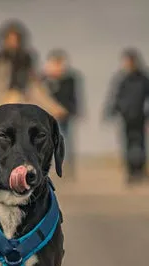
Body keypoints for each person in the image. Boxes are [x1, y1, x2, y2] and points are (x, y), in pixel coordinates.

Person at [0, 20, 66, 120]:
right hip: (1, 102)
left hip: (23, 100)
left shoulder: (26, 60)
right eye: (10, 39)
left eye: (15, 39)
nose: (13, 43)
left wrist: (53, 107)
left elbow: (35, 86)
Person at [103, 48, 149, 184]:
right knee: (128, 146)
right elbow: (115, 96)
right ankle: (131, 173)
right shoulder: (122, 78)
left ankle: (141, 172)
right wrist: (111, 111)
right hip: (126, 117)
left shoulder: (145, 78)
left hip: (141, 118)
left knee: (141, 145)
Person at [42, 49, 83, 178]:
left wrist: (74, 111)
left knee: (66, 142)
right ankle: (49, 168)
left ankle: (67, 169)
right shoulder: (44, 79)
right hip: (49, 116)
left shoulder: (70, 78)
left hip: (66, 115)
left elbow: (74, 97)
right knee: (47, 142)